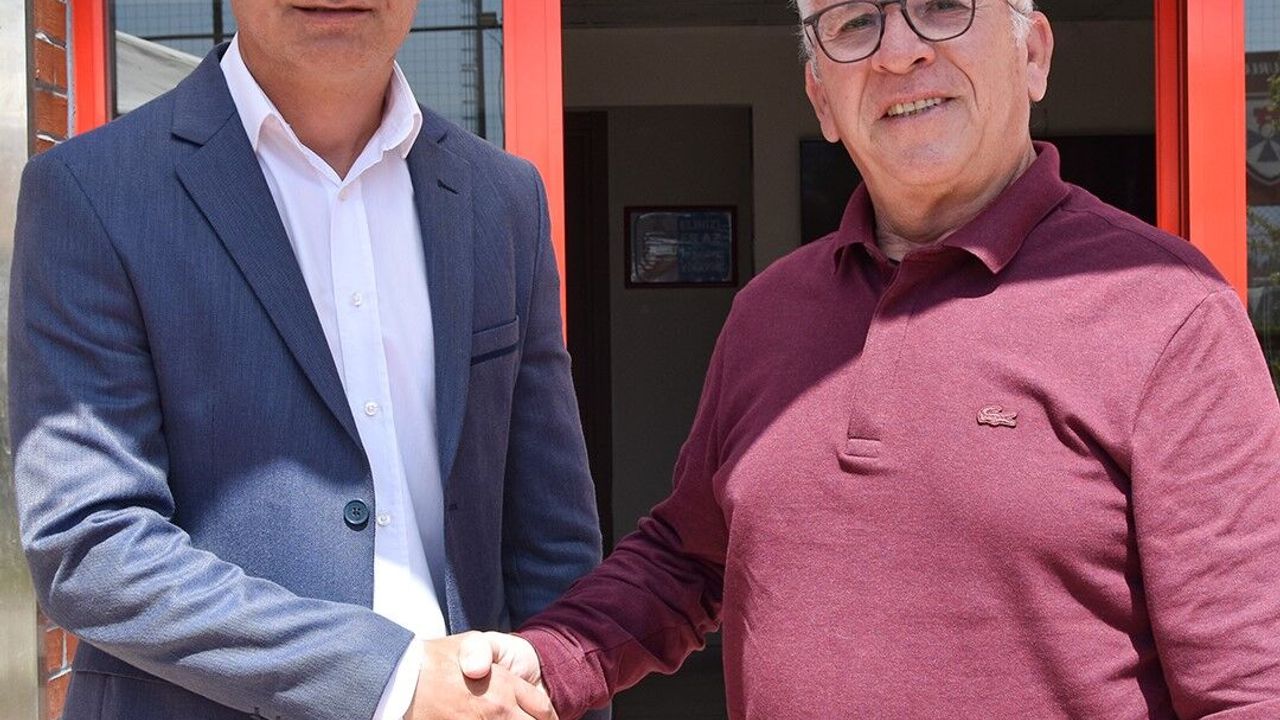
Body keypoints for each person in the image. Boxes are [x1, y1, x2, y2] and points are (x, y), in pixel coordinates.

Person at [458, 1, 1280, 718]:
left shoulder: (1168, 312)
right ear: (822, 98)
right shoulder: (769, 313)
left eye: (944, 5)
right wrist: (547, 664)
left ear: (1033, 54)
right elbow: (689, 557)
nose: (900, 51)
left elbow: (1251, 686)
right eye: (855, 21)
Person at [8, 1, 604, 719]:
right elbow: (92, 546)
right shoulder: (92, 191)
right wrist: (392, 682)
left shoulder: (502, 197)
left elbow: (552, 542)